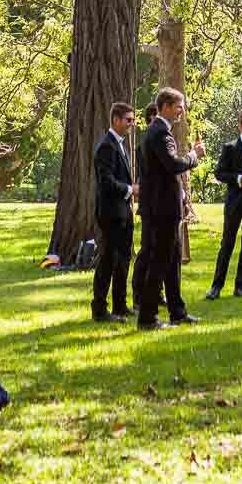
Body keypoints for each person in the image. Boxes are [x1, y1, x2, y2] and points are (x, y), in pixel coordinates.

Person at [132, 87, 203, 330]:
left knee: (172, 261)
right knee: (160, 261)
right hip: (162, 209)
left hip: (163, 207)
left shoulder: (159, 131)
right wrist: (194, 156)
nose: (182, 110)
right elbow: (174, 164)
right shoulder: (160, 133)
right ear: (165, 107)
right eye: (178, 106)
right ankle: (148, 318)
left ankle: (177, 312)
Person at [205, 110, 242, 300]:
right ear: (240, 126)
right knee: (227, 243)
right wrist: (239, 179)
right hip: (235, 202)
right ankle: (216, 286)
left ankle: (240, 286)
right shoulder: (229, 147)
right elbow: (219, 173)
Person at [90, 101, 137, 323]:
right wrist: (131, 189)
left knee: (123, 260)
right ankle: (99, 309)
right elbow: (106, 182)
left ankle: (120, 305)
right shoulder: (106, 146)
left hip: (123, 212)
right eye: (128, 120)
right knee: (107, 260)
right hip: (110, 214)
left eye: (133, 120)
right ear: (116, 120)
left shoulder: (120, 144)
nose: (131, 124)